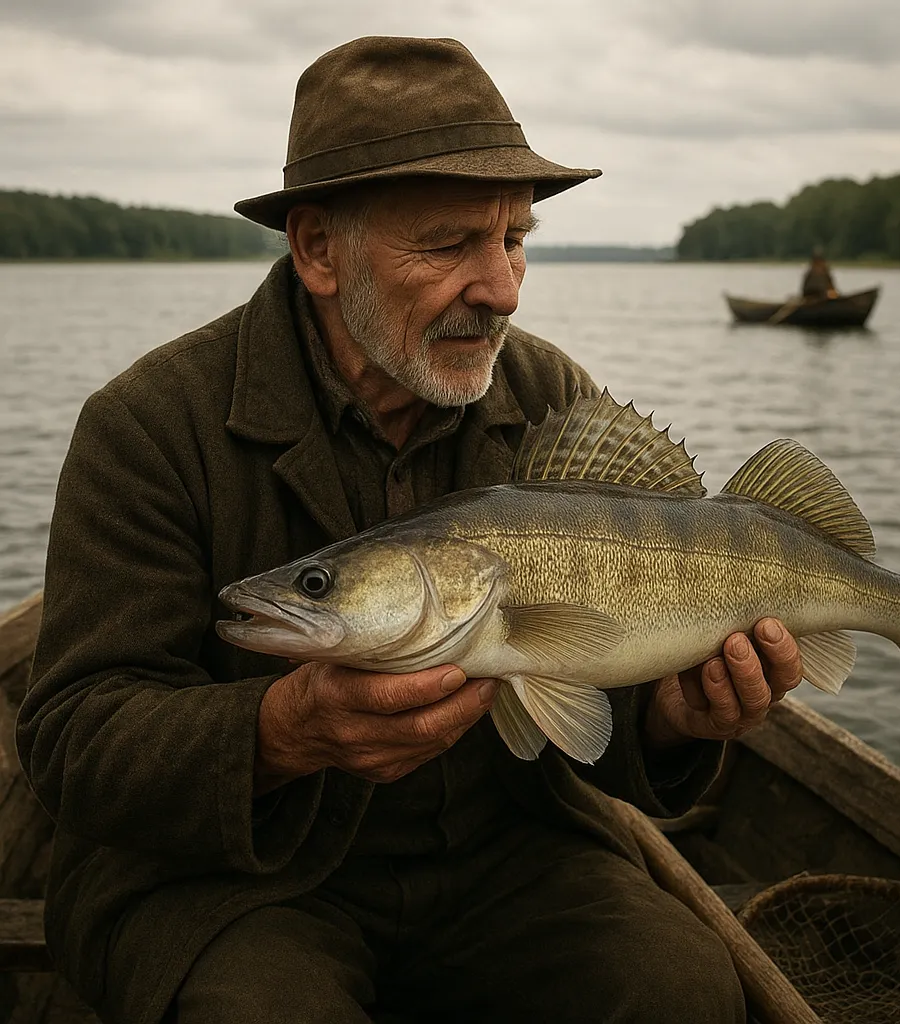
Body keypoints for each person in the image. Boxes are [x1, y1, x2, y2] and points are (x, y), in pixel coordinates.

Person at [17, 36, 804, 1024]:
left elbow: (588, 716)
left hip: (502, 858)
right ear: (316, 251)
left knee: (679, 987)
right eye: (448, 244)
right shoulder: (150, 425)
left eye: (513, 238)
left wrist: (672, 720)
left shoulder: (548, 397)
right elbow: (72, 738)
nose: (504, 286)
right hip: (230, 880)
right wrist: (279, 733)